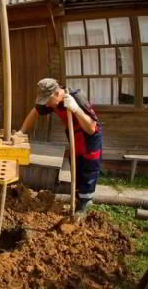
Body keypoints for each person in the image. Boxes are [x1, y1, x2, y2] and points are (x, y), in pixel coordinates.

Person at [17, 78, 103, 214]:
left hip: (90, 139)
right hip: (75, 136)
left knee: (88, 170)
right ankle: (77, 202)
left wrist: (76, 109)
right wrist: (21, 131)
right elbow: (35, 112)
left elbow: (91, 128)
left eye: (48, 100)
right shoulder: (53, 102)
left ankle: (84, 207)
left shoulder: (77, 98)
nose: (47, 104)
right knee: (76, 168)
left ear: (57, 93)